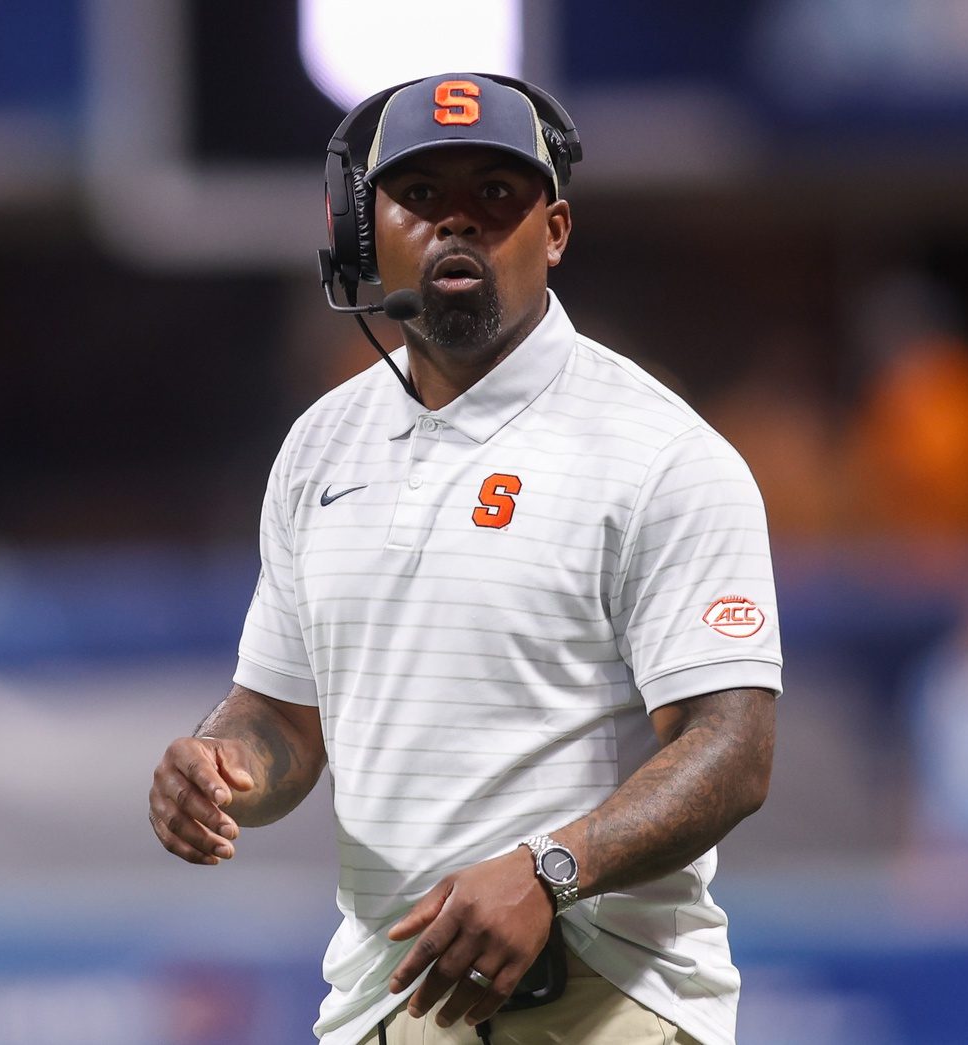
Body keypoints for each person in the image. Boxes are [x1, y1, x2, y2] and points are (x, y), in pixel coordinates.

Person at [148, 73, 781, 1045]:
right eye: (419, 196)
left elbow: (731, 749)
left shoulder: (658, 451)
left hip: (603, 998)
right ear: (367, 233)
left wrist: (548, 867)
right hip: (383, 1005)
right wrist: (220, 764)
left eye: (495, 195)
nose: (457, 224)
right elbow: (282, 718)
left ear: (554, 230)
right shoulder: (319, 446)